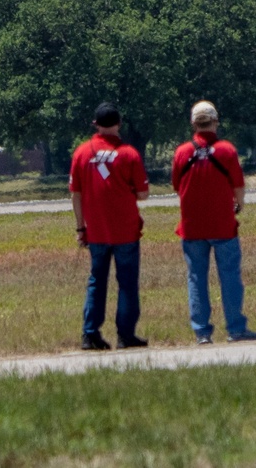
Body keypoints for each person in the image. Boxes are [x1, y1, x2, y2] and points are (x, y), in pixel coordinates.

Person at [171, 100, 256, 344]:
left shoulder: (182, 152)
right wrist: (238, 205)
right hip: (222, 225)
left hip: (192, 227)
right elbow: (238, 186)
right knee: (230, 276)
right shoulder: (226, 150)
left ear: (193, 124)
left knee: (196, 278)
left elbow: (177, 185)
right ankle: (235, 328)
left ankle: (201, 332)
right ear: (215, 122)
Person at [69, 101, 150, 350]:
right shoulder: (129, 153)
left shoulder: (82, 153)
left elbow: (76, 194)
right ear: (118, 124)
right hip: (125, 229)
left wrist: (81, 228)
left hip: (97, 231)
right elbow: (143, 193)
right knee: (126, 281)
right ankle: (125, 335)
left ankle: (90, 333)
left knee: (97, 280)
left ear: (95, 125)